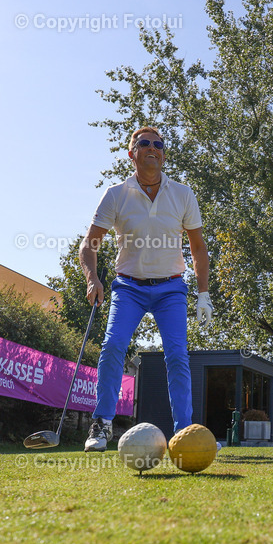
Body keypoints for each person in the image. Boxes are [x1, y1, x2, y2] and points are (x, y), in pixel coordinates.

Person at [79, 126, 213, 451]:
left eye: (158, 144)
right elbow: (89, 245)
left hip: (171, 290)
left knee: (178, 357)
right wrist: (92, 278)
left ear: (164, 154)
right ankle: (101, 425)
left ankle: (185, 436)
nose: (152, 148)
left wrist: (204, 293)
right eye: (144, 143)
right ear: (132, 153)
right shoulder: (116, 194)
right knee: (112, 347)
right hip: (128, 288)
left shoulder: (183, 193)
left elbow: (197, 248)